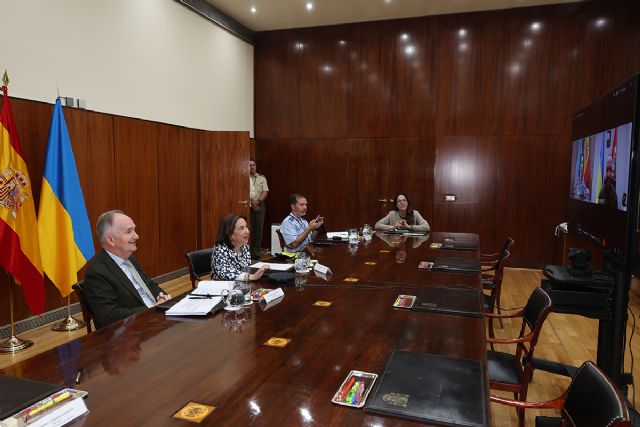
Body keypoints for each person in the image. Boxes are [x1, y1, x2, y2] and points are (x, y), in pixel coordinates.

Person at [84, 210, 171, 329]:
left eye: (134, 230)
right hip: (129, 334)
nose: (136, 236)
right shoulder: (96, 272)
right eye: (129, 231)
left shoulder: (131, 259)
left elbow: (150, 285)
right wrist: (152, 309)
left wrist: (162, 297)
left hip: (155, 321)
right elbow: (109, 316)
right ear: (110, 240)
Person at [211, 214, 269, 281]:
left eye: (246, 227)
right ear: (230, 234)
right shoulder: (220, 249)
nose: (247, 231)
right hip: (222, 288)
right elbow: (223, 272)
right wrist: (249, 277)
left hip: (241, 285)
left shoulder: (244, 247)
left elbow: (246, 269)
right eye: (242, 228)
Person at [249, 159, 269, 260]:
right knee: (248, 229)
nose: (252, 167)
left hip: (260, 206)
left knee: (258, 229)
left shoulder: (262, 178)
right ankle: (247, 252)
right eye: (249, 165)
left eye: (253, 165)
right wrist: (252, 203)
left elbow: (265, 191)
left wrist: (258, 202)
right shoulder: (243, 177)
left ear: (256, 166)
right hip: (247, 206)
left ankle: (256, 252)